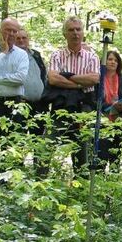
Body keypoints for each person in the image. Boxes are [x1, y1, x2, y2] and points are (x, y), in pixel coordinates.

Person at [47, 16, 100, 173]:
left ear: (83, 33)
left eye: (78, 29)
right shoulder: (57, 55)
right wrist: (79, 84)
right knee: (47, 143)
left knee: (82, 146)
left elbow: (94, 78)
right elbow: (53, 79)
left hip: (84, 106)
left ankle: (81, 185)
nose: (75, 33)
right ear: (64, 34)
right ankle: (38, 183)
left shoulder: (92, 56)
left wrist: (68, 76)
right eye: (71, 30)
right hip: (60, 105)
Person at [98, 50, 122, 164]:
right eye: (110, 59)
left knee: (116, 157)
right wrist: (109, 106)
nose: (113, 62)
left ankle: (114, 177)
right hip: (103, 122)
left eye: (116, 60)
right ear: (104, 61)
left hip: (120, 122)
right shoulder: (98, 79)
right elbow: (94, 100)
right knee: (101, 155)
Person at [15, 29, 48, 135]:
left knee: (39, 139)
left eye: (24, 38)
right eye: (18, 38)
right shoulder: (11, 56)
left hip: (39, 105)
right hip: (20, 105)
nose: (21, 40)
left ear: (28, 39)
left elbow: (44, 75)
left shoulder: (36, 55)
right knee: (19, 138)